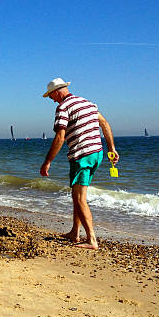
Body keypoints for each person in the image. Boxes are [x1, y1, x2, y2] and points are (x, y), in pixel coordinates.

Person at [40, 78, 119, 250]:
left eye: (51, 96)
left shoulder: (63, 107)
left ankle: (91, 239)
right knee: (78, 193)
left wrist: (47, 161)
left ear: (56, 92)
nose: (51, 99)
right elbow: (104, 123)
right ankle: (75, 232)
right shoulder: (88, 103)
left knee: (79, 198)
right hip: (97, 153)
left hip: (81, 155)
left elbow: (60, 137)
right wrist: (111, 148)